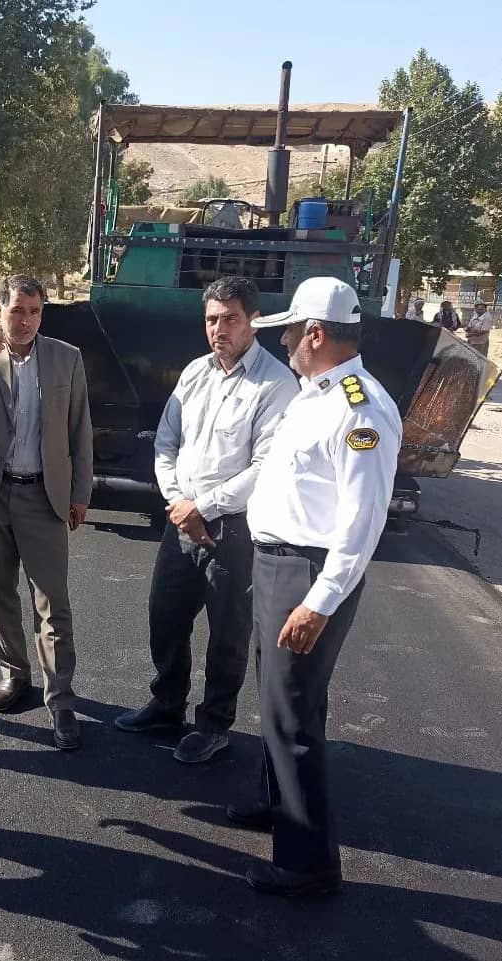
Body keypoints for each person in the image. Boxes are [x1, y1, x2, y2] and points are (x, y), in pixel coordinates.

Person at [229, 276, 400, 897]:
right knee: (277, 698)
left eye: (291, 332)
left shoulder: (359, 408)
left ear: (317, 334)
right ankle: (276, 803)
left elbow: (361, 524)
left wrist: (318, 603)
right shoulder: (315, 394)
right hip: (278, 564)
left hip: (307, 573)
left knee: (295, 713)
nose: (285, 343)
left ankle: (308, 865)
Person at [114, 277, 298, 763]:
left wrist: (205, 508)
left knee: (227, 632)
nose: (220, 329)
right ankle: (166, 704)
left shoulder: (276, 384)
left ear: (253, 321)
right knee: (165, 616)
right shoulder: (195, 372)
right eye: (212, 319)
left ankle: (214, 725)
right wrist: (180, 503)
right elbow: (166, 442)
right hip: (181, 522)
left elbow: (265, 466)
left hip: (235, 530)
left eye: (231, 319)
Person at [0, 274, 92, 750]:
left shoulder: (66, 358)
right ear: (0, 311)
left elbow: (80, 429)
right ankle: (14, 673)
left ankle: (61, 699)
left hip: (43, 496)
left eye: (34, 311)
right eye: (17, 310)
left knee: (53, 602)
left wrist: (80, 492)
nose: (26, 320)